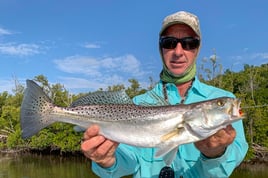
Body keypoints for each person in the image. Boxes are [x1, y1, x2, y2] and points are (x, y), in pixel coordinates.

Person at [81, 11, 248, 178]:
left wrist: (216, 153)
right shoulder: (137, 103)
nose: (178, 51)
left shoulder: (225, 98)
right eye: (169, 42)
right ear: (160, 48)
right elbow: (127, 163)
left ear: (197, 49)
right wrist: (106, 160)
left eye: (189, 43)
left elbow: (227, 166)